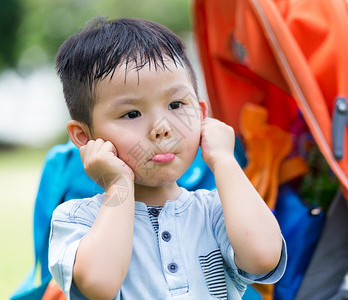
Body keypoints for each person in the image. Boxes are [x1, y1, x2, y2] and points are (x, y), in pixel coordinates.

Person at [48, 16, 286, 300]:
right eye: (131, 114)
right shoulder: (77, 219)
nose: (161, 128)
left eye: (176, 105)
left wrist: (224, 160)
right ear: (84, 136)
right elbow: (99, 285)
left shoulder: (215, 212)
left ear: (199, 114)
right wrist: (119, 184)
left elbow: (263, 257)